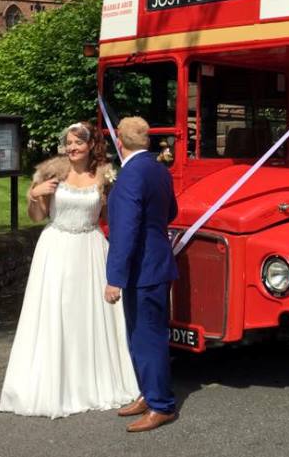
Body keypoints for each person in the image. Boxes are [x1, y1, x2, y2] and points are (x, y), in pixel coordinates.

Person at [0, 122, 138, 419]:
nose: (72, 148)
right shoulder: (52, 174)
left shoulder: (103, 176)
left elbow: (107, 218)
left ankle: (93, 380)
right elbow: (37, 216)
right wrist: (34, 193)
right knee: (55, 312)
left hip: (90, 250)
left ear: (90, 146)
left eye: (78, 142)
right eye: (68, 143)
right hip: (56, 249)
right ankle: (54, 383)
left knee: (88, 314)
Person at [106, 116, 179, 432]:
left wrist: (114, 278)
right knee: (141, 336)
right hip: (156, 263)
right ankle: (149, 394)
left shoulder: (131, 174)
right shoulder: (158, 170)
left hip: (142, 269)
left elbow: (125, 230)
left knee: (146, 338)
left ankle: (162, 405)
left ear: (119, 141)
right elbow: (172, 212)